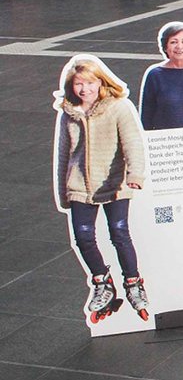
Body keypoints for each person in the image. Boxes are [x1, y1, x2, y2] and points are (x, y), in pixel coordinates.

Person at [53, 56, 150, 322]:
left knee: (119, 233)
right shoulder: (68, 113)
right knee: (83, 237)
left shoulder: (118, 107)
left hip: (114, 182)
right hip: (79, 185)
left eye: (90, 82)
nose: (84, 89)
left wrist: (135, 174)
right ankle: (102, 281)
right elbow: (63, 154)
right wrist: (63, 191)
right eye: (78, 84)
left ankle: (133, 282)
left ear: (101, 82)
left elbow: (132, 143)